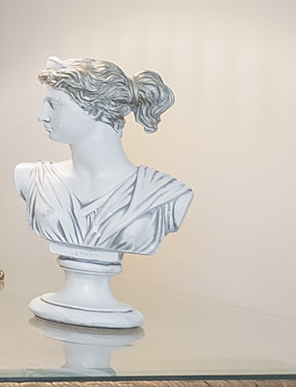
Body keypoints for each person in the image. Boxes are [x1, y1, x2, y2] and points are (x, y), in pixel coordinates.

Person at [15, 57, 191, 272]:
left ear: (97, 107)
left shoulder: (166, 195)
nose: (41, 116)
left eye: (53, 105)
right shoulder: (31, 178)